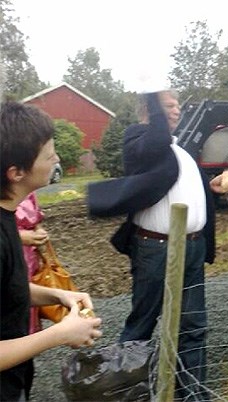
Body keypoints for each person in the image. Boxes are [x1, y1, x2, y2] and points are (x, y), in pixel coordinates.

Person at [88, 88, 228, 401]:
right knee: (141, 326)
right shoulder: (138, 139)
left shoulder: (177, 147)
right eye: (168, 105)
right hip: (156, 249)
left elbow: (172, 185)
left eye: (177, 104)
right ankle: (125, 393)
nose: (177, 110)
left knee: (193, 326)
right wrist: (154, 100)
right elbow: (153, 147)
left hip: (191, 247)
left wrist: (208, 188)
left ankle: (193, 394)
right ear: (149, 109)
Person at [0, 101, 102, 401]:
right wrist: (59, 334)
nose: (56, 157)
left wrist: (58, 295)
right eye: (48, 154)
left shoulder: (8, 214)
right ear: (16, 172)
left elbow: (8, 288)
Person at [16, 192, 49, 334]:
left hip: (29, 256)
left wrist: (39, 231)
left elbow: (36, 218)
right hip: (9, 252)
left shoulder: (27, 189)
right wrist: (17, 236)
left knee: (28, 298)